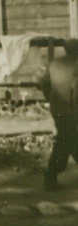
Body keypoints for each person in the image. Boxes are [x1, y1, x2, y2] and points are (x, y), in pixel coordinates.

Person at [38, 39, 78, 191]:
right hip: (71, 110)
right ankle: (50, 176)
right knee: (66, 142)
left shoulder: (54, 64)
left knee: (68, 140)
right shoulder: (76, 66)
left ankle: (51, 177)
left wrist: (52, 99)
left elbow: (43, 85)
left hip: (57, 109)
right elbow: (76, 94)